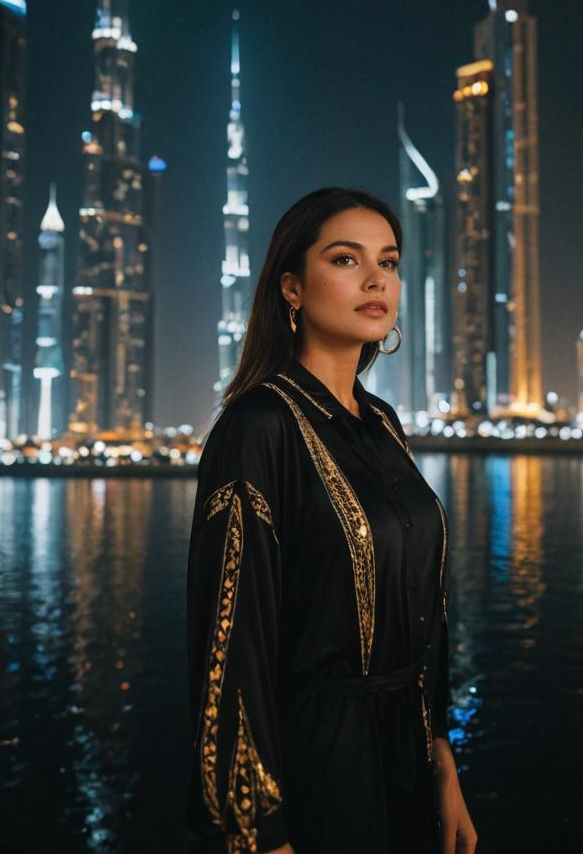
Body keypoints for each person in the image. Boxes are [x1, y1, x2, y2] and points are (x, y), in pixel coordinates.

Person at [186, 187, 477, 854]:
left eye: (391, 262)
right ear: (291, 288)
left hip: (407, 767)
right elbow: (231, 648)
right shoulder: (258, 427)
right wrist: (260, 830)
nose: (378, 279)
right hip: (320, 771)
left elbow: (426, 614)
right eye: (347, 260)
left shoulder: (382, 425)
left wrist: (443, 764)